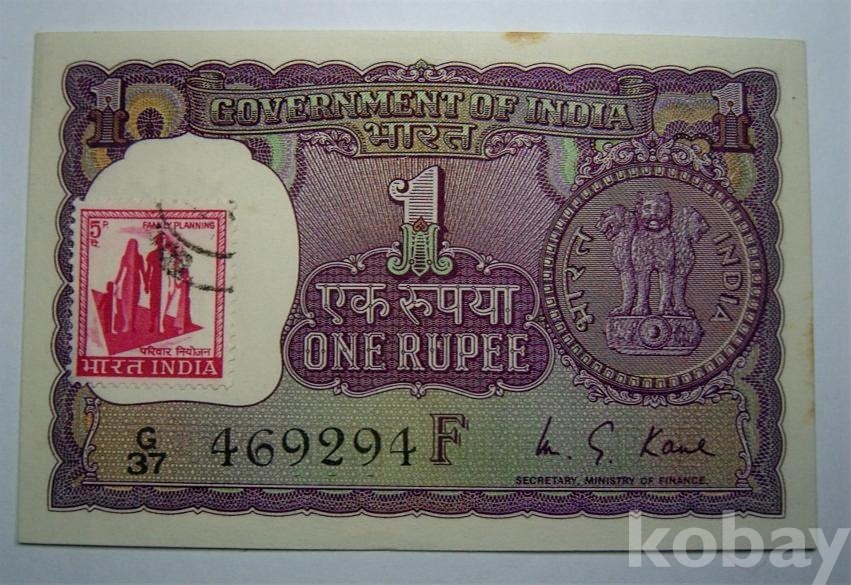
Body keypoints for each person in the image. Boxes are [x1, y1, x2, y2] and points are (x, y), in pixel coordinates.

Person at [113, 238, 145, 334]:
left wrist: (146, 284)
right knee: (126, 303)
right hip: (127, 281)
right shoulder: (125, 257)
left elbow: (143, 271)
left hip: (136, 281)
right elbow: (121, 270)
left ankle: (132, 325)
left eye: (135, 245)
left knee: (134, 303)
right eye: (132, 245)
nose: (133, 247)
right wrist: (115, 282)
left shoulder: (140, 257)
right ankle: (126, 324)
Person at [145, 232, 167, 334]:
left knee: (163, 303)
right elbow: (148, 270)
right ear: (157, 241)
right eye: (160, 240)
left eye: (164, 239)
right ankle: (152, 323)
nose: (162, 242)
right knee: (153, 303)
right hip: (155, 281)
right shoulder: (151, 254)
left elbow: (172, 271)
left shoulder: (168, 255)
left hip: (165, 281)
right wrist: (146, 284)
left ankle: (161, 323)